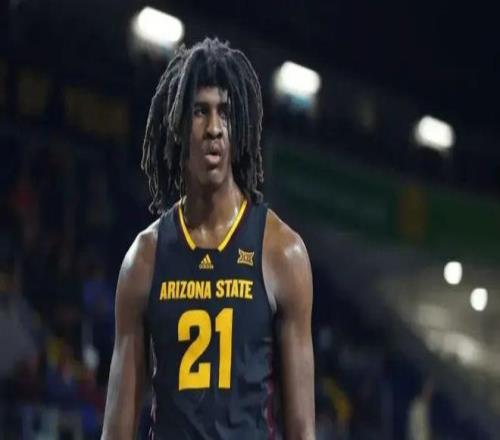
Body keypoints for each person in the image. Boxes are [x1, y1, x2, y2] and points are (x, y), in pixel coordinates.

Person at [101, 38, 315, 439]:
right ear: (180, 125)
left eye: (225, 113)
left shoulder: (282, 252)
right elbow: (116, 431)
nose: (214, 128)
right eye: (201, 111)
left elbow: (302, 430)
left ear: (241, 126)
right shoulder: (144, 259)